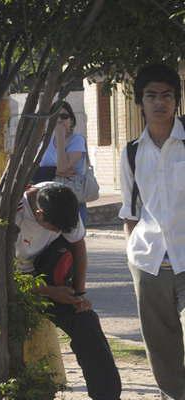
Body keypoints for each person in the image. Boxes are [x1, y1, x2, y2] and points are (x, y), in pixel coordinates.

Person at [16, 182, 121, 399]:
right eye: (54, 228)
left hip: (51, 273)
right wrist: (49, 292)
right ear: (38, 214)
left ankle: (107, 395)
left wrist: (79, 295)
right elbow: (4, 275)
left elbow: (78, 245)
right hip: (14, 283)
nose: (59, 232)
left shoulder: (61, 200)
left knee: (86, 322)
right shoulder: (13, 212)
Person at [119, 63, 185, 399]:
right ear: (140, 102)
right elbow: (129, 213)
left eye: (167, 95)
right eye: (151, 96)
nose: (160, 102)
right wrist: (134, 254)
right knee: (161, 348)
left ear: (177, 100)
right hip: (149, 263)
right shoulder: (131, 152)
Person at [36, 101, 88, 223]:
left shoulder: (77, 140)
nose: (59, 120)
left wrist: (60, 136)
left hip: (70, 200)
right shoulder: (46, 142)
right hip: (47, 200)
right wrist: (55, 171)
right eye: (55, 116)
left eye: (64, 116)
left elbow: (63, 168)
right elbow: (36, 170)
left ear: (71, 120)